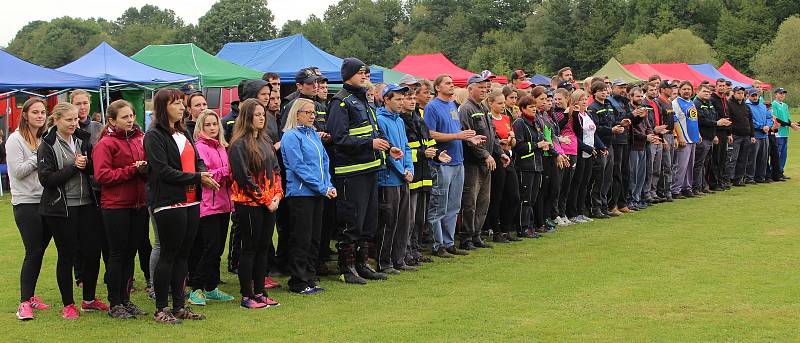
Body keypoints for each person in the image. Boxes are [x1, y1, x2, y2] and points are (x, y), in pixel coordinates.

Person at [145, 88, 217, 323]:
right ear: (163, 107)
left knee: (183, 256)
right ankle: (161, 308)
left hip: (191, 200)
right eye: (176, 103)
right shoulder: (154, 135)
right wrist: (197, 177)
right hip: (168, 202)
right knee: (168, 255)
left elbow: (196, 160)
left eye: (182, 104)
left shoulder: (183, 132)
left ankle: (178, 306)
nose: (182, 108)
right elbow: (163, 171)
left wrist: (203, 173)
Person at [38, 102, 109, 320]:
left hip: (87, 203)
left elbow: (93, 169)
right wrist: (73, 167)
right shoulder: (47, 145)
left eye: (76, 119)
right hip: (61, 208)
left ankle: (89, 299)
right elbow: (46, 179)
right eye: (69, 120)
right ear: (57, 120)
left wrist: (86, 164)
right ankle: (68, 304)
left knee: (92, 253)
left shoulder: (82, 139)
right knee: (67, 255)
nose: (73, 123)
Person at [328, 58, 395, 283]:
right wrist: (370, 144)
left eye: (367, 73)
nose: (365, 76)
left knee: (368, 222)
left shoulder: (365, 101)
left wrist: (388, 145)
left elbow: (374, 131)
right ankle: (346, 270)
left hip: (370, 170)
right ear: (348, 75)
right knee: (351, 222)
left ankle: (362, 264)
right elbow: (339, 138)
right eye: (361, 73)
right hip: (351, 172)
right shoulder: (340, 102)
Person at [92, 100, 149, 319]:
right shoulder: (105, 144)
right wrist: (132, 170)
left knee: (130, 255)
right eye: (125, 117)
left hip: (138, 204)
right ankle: (115, 302)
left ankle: (125, 299)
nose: (130, 120)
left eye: (132, 116)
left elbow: (145, 171)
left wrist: (144, 169)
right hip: (115, 206)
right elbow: (102, 176)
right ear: (111, 120)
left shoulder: (139, 139)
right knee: (117, 255)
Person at [228, 98, 283, 307]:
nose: (261, 118)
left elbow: (276, 171)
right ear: (247, 117)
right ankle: (246, 295)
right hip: (249, 204)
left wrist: (277, 195)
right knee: (249, 249)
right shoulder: (239, 144)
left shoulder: (266, 140)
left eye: (263, 114)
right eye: (257, 114)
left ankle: (260, 292)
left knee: (263, 248)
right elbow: (243, 178)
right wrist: (266, 199)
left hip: (270, 203)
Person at [424, 75, 484, 257]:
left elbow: (457, 132)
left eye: (452, 83)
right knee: (439, 205)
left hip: (458, 161)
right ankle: (437, 244)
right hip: (443, 162)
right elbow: (430, 134)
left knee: (453, 206)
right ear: (437, 87)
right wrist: (458, 136)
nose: (452, 86)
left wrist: (469, 138)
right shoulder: (432, 107)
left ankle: (449, 243)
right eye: (447, 83)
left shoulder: (452, 106)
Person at [281, 98, 336, 294]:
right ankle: (298, 280)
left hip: (317, 192)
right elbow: (298, 167)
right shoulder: (291, 136)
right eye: (308, 112)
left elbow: (325, 161)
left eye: (314, 112)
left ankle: (310, 277)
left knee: (314, 238)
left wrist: (328, 184)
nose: (313, 116)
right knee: (301, 238)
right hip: (301, 194)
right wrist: (322, 187)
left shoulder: (312, 134)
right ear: (297, 114)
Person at [8, 98, 52, 321]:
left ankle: (32, 296)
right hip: (26, 202)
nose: (40, 116)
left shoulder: (43, 138)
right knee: (32, 252)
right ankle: (23, 303)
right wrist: (40, 157)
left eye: (43, 112)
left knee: (39, 252)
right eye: (35, 112)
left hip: (46, 201)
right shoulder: (15, 140)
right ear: (25, 114)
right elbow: (17, 172)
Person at [186, 109, 236, 306]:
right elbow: (206, 175)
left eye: (215, 124)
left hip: (224, 203)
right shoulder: (198, 147)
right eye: (208, 124)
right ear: (201, 126)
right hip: (207, 205)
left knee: (217, 248)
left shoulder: (222, 146)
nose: (213, 128)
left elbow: (224, 174)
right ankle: (196, 288)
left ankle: (211, 286)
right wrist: (229, 170)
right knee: (208, 247)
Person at [459, 74, 509, 250]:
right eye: (480, 87)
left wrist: (499, 153)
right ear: (470, 88)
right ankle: (466, 238)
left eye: (485, 87)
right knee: (470, 202)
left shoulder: (484, 108)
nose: (484, 89)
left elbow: (492, 135)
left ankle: (476, 235)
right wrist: (485, 155)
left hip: (486, 162)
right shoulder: (466, 109)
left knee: (483, 201)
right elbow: (468, 137)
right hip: (473, 163)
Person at [375, 84, 415, 274]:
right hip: (388, 179)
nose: (401, 102)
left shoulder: (399, 120)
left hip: (402, 178)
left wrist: (410, 168)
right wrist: (402, 171)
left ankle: (398, 259)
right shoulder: (380, 120)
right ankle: (384, 261)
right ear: (386, 99)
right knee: (388, 223)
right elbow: (387, 151)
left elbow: (405, 147)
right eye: (398, 99)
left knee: (403, 221)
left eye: (402, 98)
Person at [484, 90, 521, 241]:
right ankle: (496, 230)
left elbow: (513, 142)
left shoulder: (506, 118)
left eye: (503, 103)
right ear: (490, 103)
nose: (502, 106)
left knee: (513, 196)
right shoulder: (488, 118)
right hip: (496, 159)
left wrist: (511, 139)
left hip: (508, 157)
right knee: (497, 196)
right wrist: (499, 143)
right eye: (499, 103)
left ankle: (506, 229)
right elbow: (490, 139)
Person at [513, 92, 549, 237]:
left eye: (535, 107)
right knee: (525, 199)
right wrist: (536, 145)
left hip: (537, 165)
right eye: (530, 107)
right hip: (525, 166)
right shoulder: (520, 123)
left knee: (533, 198)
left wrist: (543, 145)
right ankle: (522, 228)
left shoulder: (536, 122)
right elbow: (518, 146)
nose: (534, 109)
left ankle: (530, 226)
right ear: (522, 108)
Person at [567, 90, 605, 223]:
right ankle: (572, 213)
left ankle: (580, 211)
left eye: (586, 99)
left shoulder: (587, 114)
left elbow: (593, 133)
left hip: (590, 153)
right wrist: (587, 148)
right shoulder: (574, 116)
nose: (585, 101)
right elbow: (575, 136)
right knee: (576, 183)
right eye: (582, 99)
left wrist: (601, 146)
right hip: (580, 152)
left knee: (585, 184)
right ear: (575, 101)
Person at [587, 81, 618, 218]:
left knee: (607, 178)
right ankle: (596, 208)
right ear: (594, 93)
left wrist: (619, 125)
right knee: (599, 179)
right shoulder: (592, 108)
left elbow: (614, 120)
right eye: (601, 90)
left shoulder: (609, 105)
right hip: (600, 146)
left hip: (610, 144)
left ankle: (604, 206)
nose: (604, 92)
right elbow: (595, 129)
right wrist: (611, 129)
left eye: (606, 90)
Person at [694, 84, 729, 195]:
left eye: (709, 92)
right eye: (704, 91)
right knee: (699, 164)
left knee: (707, 163)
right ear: (698, 91)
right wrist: (717, 123)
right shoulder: (696, 104)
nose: (707, 93)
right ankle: (696, 187)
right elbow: (701, 120)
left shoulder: (709, 103)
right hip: (702, 138)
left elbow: (712, 118)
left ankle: (704, 185)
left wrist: (714, 134)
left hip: (709, 137)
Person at [552, 88, 578, 226]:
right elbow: (557, 129)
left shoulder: (572, 112)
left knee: (567, 185)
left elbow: (578, 130)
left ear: (567, 99)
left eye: (559, 99)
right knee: (559, 185)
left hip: (573, 150)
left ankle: (563, 213)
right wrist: (567, 115)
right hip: (561, 151)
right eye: (555, 99)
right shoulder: (555, 114)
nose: (557, 102)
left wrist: (575, 114)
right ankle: (556, 214)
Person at [607, 79, 633, 214]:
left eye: (624, 87)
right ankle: (612, 205)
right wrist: (621, 122)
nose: (623, 90)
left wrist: (635, 116)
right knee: (616, 174)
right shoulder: (609, 102)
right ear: (612, 88)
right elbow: (611, 121)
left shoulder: (625, 102)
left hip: (625, 140)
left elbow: (629, 119)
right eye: (620, 87)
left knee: (625, 173)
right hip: (615, 141)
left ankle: (622, 203)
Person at [627, 87, 656, 209]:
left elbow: (648, 125)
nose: (640, 98)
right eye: (637, 96)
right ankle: (631, 199)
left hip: (643, 146)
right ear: (631, 97)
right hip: (634, 146)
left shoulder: (643, 110)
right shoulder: (630, 111)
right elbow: (632, 129)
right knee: (632, 174)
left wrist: (651, 135)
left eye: (641, 96)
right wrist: (646, 137)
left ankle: (637, 198)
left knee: (641, 175)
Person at [671, 81, 700, 199]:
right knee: (680, 166)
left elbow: (693, 120)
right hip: (684, 138)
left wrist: (698, 133)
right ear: (679, 90)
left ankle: (686, 188)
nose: (687, 91)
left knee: (689, 165)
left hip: (692, 138)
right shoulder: (676, 102)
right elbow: (675, 120)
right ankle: (675, 189)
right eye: (684, 89)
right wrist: (679, 136)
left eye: (689, 89)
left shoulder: (691, 102)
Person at [727, 86, 756, 186]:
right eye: (738, 93)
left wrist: (752, 134)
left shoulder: (746, 106)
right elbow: (728, 120)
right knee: (733, 158)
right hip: (735, 135)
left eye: (742, 93)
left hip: (746, 136)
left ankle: (738, 179)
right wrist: (729, 133)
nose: (740, 95)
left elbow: (750, 121)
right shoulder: (729, 104)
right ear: (734, 94)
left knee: (743, 159)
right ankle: (729, 179)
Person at [709, 79, 732, 190]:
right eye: (720, 86)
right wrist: (714, 134)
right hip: (716, 131)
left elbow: (727, 116)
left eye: (724, 86)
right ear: (716, 86)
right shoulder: (712, 100)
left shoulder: (724, 99)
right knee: (716, 158)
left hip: (724, 132)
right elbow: (713, 117)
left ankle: (721, 180)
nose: (722, 87)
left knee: (723, 158)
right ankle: (714, 183)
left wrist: (729, 133)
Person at [745, 89, 773, 183]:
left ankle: (760, 177)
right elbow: (749, 120)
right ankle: (750, 177)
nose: (755, 97)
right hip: (755, 135)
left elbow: (769, 117)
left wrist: (768, 126)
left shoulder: (762, 105)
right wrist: (761, 127)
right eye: (753, 95)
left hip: (764, 135)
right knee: (752, 158)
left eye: (756, 95)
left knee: (763, 158)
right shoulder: (747, 106)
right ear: (748, 96)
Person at [771, 88, 798, 180]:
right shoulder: (773, 105)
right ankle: (774, 173)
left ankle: (781, 172)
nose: (782, 95)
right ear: (776, 94)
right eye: (780, 93)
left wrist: (792, 124)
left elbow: (787, 118)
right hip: (778, 133)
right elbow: (776, 119)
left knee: (783, 154)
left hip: (785, 132)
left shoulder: (785, 105)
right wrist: (790, 124)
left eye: (783, 93)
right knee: (776, 154)